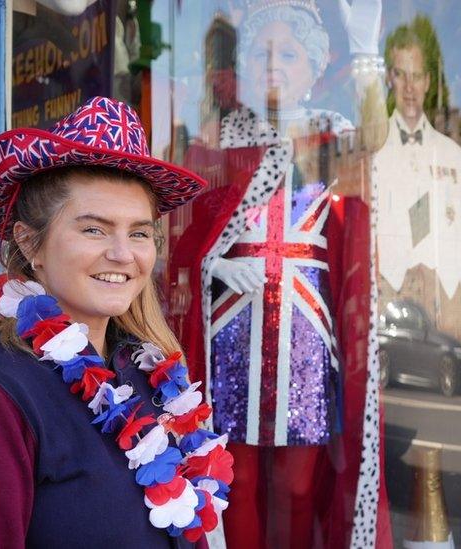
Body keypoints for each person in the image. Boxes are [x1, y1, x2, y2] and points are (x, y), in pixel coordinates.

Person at [0, 97, 230, 547]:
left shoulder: (147, 376)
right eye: (93, 229)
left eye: (139, 232)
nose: (123, 254)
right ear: (30, 243)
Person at [166, 1, 390, 546]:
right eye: (262, 51)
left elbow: (377, 137)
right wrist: (214, 261)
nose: (273, 64)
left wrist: (367, 58)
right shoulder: (217, 141)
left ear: (314, 66)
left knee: (298, 484)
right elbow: (181, 234)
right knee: (233, 480)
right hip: (233, 337)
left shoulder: (334, 136)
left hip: (307, 336)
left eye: (288, 53)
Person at [374, 20, 461, 333]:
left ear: (428, 82)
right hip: (388, 292)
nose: (409, 87)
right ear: (390, 78)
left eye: (416, 76)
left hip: (443, 295)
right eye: (401, 74)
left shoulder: (453, 155)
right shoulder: (374, 150)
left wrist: (454, 286)